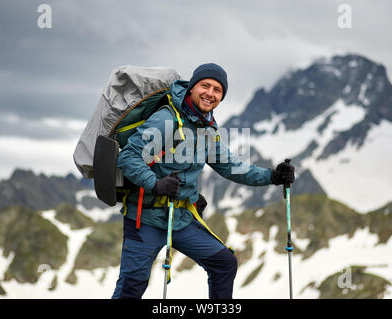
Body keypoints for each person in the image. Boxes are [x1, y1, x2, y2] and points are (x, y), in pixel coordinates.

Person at [111, 63, 295, 299]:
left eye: (217, 90)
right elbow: (128, 157)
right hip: (145, 218)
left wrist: (272, 176)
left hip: (181, 219)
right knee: (131, 289)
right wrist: (155, 184)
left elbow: (231, 166)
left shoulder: (206, 128)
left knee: (224, 264)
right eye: (205, 86)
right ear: (191, 88)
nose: (210, 93)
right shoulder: (166, 119)